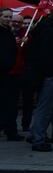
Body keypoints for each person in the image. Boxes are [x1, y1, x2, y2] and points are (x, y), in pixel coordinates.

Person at [26, 8, 53, 151]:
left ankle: (36, 134)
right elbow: (49, 54)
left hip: (44, 73)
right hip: (49, 75)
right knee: (46, 108)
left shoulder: (44, 28)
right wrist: (51, 72)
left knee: (48, 106)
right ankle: (38, 139)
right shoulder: (51, 30)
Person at [0, 8, 25, 141]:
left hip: (10, 74)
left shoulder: (8, 32)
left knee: (10, 104)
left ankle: (11, 130)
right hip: (4, 74)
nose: (9, 19)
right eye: (6, 17)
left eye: (10, 17)